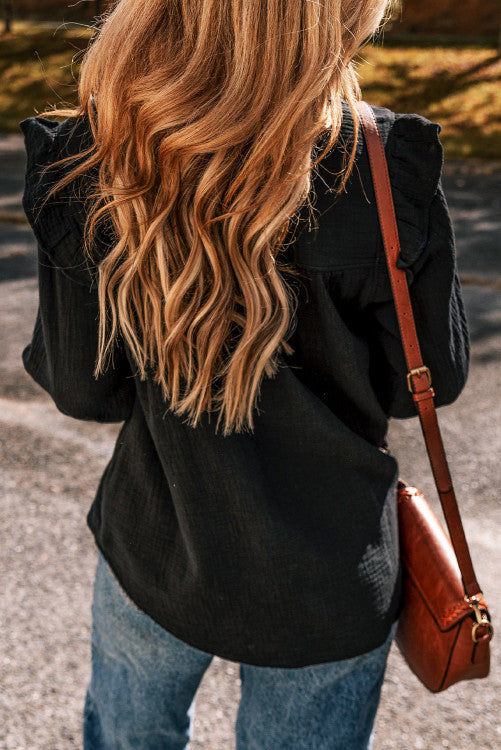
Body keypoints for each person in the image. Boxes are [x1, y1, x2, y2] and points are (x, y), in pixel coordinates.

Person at [20, 1, 469, 748]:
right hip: (331, 574)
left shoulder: (94, 157)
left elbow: (84, 390)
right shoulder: (384, 168)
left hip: (159, 549)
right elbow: (427, 382)